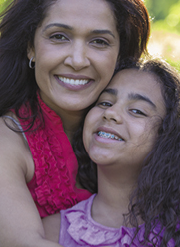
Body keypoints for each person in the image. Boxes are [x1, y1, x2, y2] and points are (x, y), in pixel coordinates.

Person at [0, 0, 150, 247]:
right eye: (59, 37)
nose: (78, 60)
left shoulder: (139, 128)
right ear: (31, 47)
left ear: (120, 54)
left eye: (99, 41)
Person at [43, 57, 180, 247]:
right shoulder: (50, 233)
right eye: (105, 103)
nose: (111, 113)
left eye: (137, 111)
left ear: (167, 135)